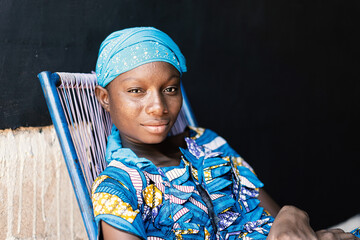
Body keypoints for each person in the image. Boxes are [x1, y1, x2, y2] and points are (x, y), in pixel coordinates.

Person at [92, 27, 360, 240]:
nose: (158, 107)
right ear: (104, 98)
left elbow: (279, 223)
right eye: (136, 91)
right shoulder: (118, 187)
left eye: (170, 89)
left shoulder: (206, 142)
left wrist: (293, 215)